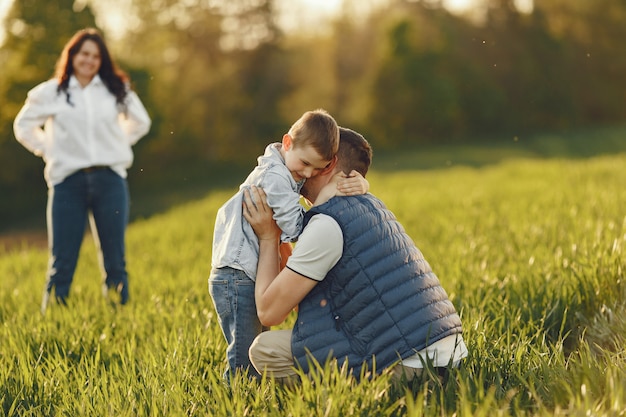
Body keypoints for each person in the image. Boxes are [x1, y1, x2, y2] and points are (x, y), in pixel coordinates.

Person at [242, 127, 468, 383]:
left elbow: (270, 312)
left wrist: (268, 237)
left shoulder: (328, 225)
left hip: (409, 363)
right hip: (443, 352)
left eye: (312, 164)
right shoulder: (372, 206)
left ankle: (331, 403)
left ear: (329, 166)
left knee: (264, 349)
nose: (298, 174)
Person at [209, 110, 368, 380]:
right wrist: (325, 206)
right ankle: (236, 397)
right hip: (237, 276)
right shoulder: (275, 177)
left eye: (317, 169)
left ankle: (252, 394)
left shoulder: (288, 167)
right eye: (305, 164)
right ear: (287, 143)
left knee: (253, 347)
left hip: (248, 273)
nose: (307, 174)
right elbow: (295, 227)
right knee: (243, 357)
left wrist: (357, 182)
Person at [13, 28, 151, 314]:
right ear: (72, 55)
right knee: (61, 260)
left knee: (115, 259)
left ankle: (119, 317)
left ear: (102, 60)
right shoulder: (52, 92)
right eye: (84, 53)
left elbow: (141, 123)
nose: (89, 60)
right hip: (67, 182)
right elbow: (22, 126)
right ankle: (54, 321)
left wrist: (115, 143)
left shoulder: (116, 90)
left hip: (109, 180)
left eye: (96, 56)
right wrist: (47, 149)